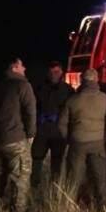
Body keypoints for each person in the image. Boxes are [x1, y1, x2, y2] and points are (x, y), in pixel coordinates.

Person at [58, 68, 106, 207]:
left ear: (81, 81)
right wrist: (105, 137)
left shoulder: (72, 100)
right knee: (100, 179)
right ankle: (102, 210)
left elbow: (61, 124)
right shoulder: (105, 99)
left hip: (77, 143)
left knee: (73, 180)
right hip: (97, 144)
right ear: (96, 80)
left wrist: (69, 139)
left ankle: (70, 209)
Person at [0, 57, 36, 212]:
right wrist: (30, 134)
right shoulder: (22, 85)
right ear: (14, 67)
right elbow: (30, 111)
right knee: (20, 179)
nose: (25, 69)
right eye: (22, 66)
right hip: (16, 140)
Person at [31, 61, 72, 189]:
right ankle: (34, 187)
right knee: (37, 159)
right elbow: (32, 107)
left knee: (57, 161)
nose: (53, 75)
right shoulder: (39, 88)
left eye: (56, 72)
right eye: (51, 72)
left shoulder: (68, 90)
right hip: (41, 131)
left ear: (61, 72)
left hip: (58, 133)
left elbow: (71, 111)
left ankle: (54, 189)